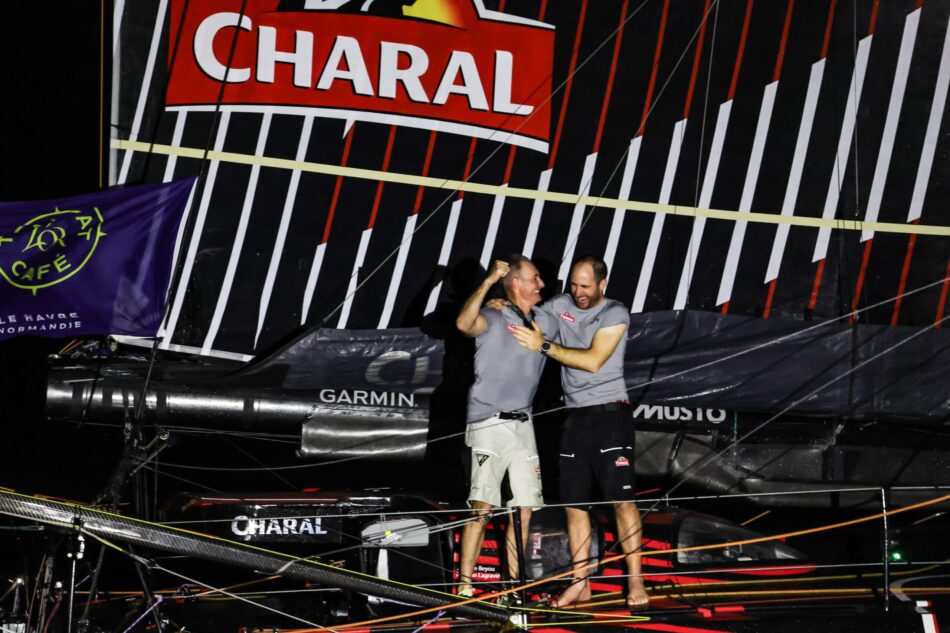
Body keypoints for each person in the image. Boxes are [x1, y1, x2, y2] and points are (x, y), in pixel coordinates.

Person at [510, 255, 649, 610]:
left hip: (610, 416)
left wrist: (543, 345)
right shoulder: (561, 305)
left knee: (621, 500)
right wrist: (504, 303)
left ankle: (635, 580)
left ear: (602, 285)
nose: (578, 292)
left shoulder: (615, 313)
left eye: (585, 286)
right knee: (575, 504)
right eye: (573, 285)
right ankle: (580, 582)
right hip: (575, 418)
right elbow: (528, 321)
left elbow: (592, 360)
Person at [454, 255, 556, 599]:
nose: (541, 284)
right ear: (515, 283)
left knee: (524, 509)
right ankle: (464, 587)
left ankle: (512, 587)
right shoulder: (496, 315)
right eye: (535, 278)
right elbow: (464, 324)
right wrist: (486, 284)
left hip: (524, 424)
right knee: (482, 506)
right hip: (489, 422)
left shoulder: (542, 320)